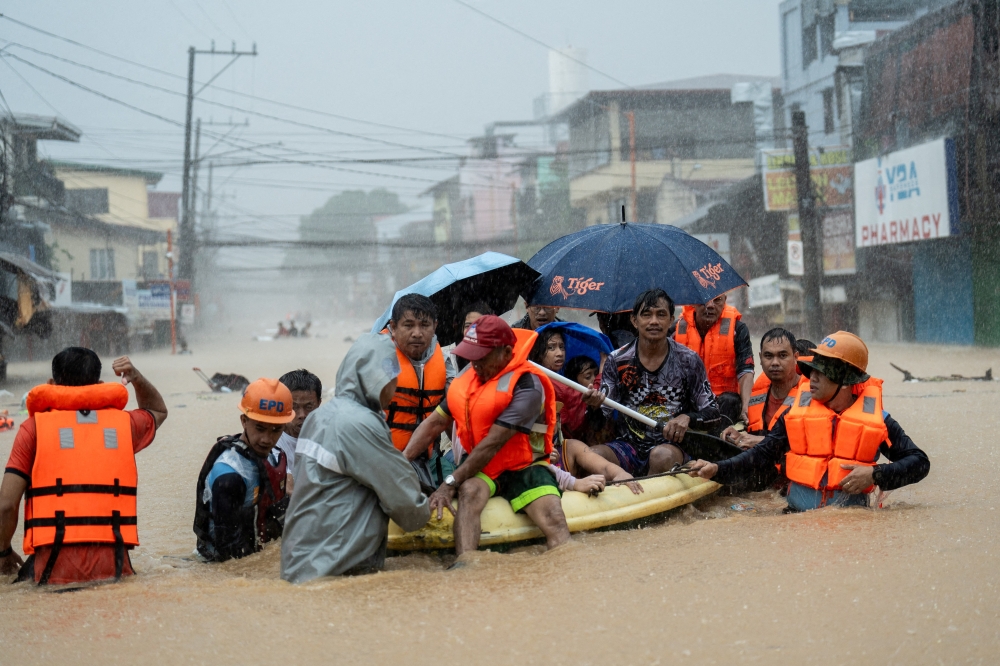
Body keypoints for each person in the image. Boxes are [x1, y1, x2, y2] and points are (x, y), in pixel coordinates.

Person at [689, 331, 931, 511]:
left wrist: (875, 474)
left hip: (851, 526)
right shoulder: (793, 416)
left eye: (820, 372)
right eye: (810, 370)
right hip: (793, 517)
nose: (809, 378)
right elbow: (760, 456)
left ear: (845, 380)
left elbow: (920, 463)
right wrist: (717, 469)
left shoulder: (880, 422)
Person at [403, 315, 570, 555]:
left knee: (554, 516)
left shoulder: (527, 385)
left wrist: (449, 483)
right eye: (471, 356)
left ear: (506, 352)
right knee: (469, 492)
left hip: (526, 466)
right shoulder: (467, 380)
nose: (475, 364)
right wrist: (402, 460)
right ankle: (465, 565)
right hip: (483, 468)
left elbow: (493, 443)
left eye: (482, 356)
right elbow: (434, 424)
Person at [0, 348, 168, 585]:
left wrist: (3, 552)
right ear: (98, 384)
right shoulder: (124, 426)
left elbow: (6, 506)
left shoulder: (33, 429)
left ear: (51, 383)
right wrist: (136, 377)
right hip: (115, 564)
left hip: (52, 568)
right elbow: (158, 410)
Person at [280, 334, 429, 582]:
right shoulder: (358, 423)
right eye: (393, 380)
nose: (394, 388)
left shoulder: (321, 416)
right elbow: (405, 504)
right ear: (379, 380)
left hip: (300, 562)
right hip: (334, 568)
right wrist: (426, 510)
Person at [588, 289, 720, 476]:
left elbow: (713, 414)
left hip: (672, 448)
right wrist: (593, 407)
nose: (654, 321)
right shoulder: (616, 360)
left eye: (661, 314)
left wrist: (688, 417)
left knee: (660, 456)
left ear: (671, 320)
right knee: (593, 455)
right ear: (635, 321)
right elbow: (600, 420)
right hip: (628, 447)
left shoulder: (688, 360)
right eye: (646, 315)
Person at [193, 379, 294, 562]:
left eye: (275, 430)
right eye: (260, 428)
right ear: (244, 421)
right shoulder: (230, 475)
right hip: (216, 566)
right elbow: (230, 556)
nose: (266, 439)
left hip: (255, 552)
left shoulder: (275, 456)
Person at [673, 293, 754, 419]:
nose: (710, 306)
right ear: (693, 302)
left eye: (717, 300)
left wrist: (746, 407)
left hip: (723, 404)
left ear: (725, 301)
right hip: (688, 402)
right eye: (703, 300)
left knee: (731, 400)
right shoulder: (674, 330)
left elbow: (746, 371)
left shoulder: (738, 329)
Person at [722, 328, 804, 450]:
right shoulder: (756, 396)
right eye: (768, 356)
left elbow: (812, 441)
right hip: (761, 463)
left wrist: (761, 441)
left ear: (796, 357)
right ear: (760, 358)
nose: (775, 362)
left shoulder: (811, 394)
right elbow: (758, 436)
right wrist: (740, 437)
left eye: (782, 355)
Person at [275, 369, 323, 494]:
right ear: (281, 405)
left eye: (309, 407)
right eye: (294, 407)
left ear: (319, 403)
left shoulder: (331, 437)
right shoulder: (269, 440)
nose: (302, 415)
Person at [451, 302, 494, 372]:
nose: (472, 330)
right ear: (462, 330)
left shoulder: (498, 354)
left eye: (479, 325)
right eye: (468, 326)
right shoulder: (452, 361)